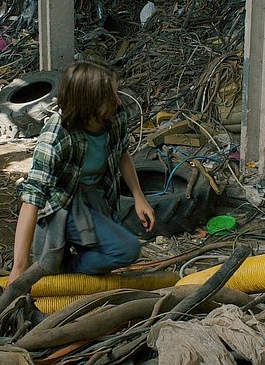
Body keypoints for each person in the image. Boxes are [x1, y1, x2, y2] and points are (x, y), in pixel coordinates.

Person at [8, 59, 155, 284]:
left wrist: (139, 197)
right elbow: (32, 200)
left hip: (97, 196)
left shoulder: (115, 115)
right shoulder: (56, 135)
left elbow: (122, 152)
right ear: (89, 105)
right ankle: (64, 267)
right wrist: (19, 267)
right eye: (110, 97)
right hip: (63, 204)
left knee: (113, 254)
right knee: (127, 249)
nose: (117, 101)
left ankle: (67, 267)